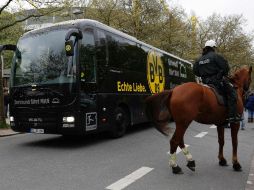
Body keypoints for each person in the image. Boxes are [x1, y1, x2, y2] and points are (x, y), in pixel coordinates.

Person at [193, 39, 242, 123]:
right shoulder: (216, 56)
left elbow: (195, 71)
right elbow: (226, 68)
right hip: (217, 81)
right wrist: (221, 74)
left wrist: (203, 75)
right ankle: (232, 116)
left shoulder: (199, 59)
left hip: (204, 82)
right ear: (213, 47)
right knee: (233, 94)